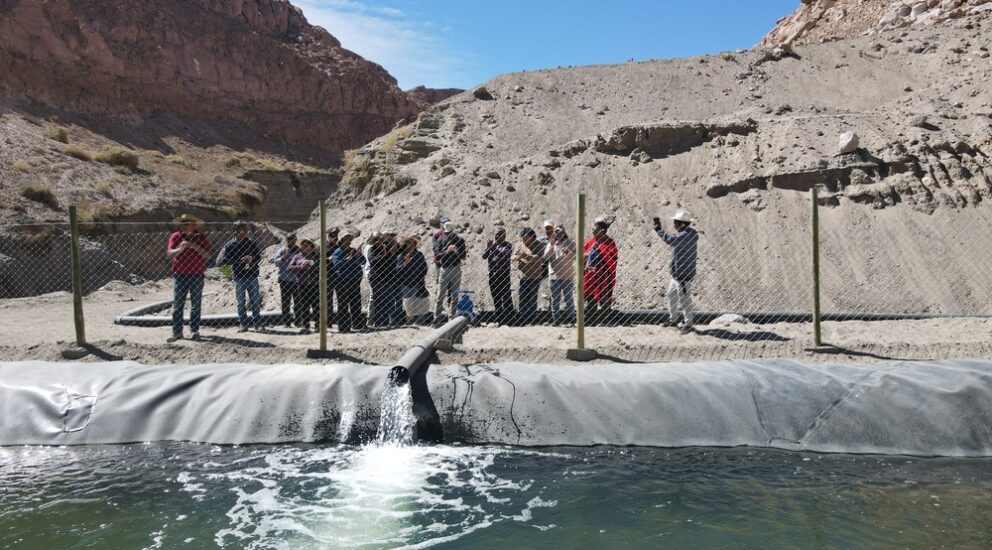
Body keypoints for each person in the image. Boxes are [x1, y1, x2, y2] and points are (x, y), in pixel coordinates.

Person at [166, 214, 211, 342]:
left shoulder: (202, 238)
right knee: (178, 304)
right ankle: (177, 332)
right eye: (183, 223)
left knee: (196, 304)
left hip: (197, 275)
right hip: (180, 275)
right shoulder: (176, 237)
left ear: (194, 225)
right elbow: (169, 253)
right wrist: (180, 248)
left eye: (187, 223)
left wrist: (195, 247)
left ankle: (194, 331)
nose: (184, 225)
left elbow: (208, 255)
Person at [654, 208, 699, 334]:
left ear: (682, 224)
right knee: (671, 295)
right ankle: (673, 319)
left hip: (682, 275)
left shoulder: (686, 236)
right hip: (677, 274)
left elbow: (670, 240)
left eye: (676, 222)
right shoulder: (686, 234)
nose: (674, 224)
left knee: (685, 299)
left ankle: (688, 324)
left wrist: (658, 230)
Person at [218, 220, 263, 332]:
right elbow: (222, 260)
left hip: (252, 276)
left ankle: (257, 324)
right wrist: (239, 261)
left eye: (245, 229)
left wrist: (252, 260)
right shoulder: (229, 245)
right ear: (235, 231)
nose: (244, 231)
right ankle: (243, 324)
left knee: (255, 301)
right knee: (240, 302)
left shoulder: (251, 243)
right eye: (242, 229)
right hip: (238, 277)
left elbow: (258, 257)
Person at [583, 216, 618, 324]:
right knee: (591, 299)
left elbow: (613, 257)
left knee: (605, 299)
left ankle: (604, 319)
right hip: (591, 276)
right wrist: (585, 257)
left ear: (602, 231)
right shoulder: (590, 242)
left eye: (595, 229)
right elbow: (583, 254)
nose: (593, 230)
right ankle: (589, 320)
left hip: (604, 276)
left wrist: (599, 254)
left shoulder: (610, 242)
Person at [331, 230, 366, 333]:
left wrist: (359, 255)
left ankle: (357, 325)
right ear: (341, 241)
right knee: (343, 305)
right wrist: (348, 259)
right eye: (346, 240)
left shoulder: (353, 250)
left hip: (354, 281)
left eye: (350, 240)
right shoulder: (337, 252)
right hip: (342, 282)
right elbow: (337, 265)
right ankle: (343, 327)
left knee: (356, 303)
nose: (349, 242)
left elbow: (363, 262)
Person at [432, 221, 466, 325]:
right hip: (444, 269)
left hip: (456, 268)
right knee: (440, 295)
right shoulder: (440, 240)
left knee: (454, 294)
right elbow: (437, 256)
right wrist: (447, 251)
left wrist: (457, 252)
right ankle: (436, 317)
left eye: (449, 232)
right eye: (446, 232)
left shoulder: (459, 240)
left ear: (453, 230)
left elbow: (464, 256)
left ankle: (451, 317)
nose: (448, 234)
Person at [543, 225, 576, 325]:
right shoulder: (551, 244)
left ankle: (571, 318)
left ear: (564, 232)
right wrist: (552, 243)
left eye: (560, 231)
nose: (559, 234)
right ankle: (555, 319)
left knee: (569, 299)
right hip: (554, 277)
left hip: (567, 276)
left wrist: (569, 253)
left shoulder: (571, 243)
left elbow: (578, 257)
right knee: (555, 300)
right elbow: (545, 257)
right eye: (556, 232)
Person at [482, 228, 514, 325]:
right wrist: (488, 247)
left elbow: (504, 256)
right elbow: (484, 256)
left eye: (499, 235)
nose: (497, 237)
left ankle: (511, 319)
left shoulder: (507, 245)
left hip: (503, 275)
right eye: (496, 235)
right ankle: (500, 319)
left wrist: (493, 248)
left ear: (504, 236)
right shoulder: (493, 246)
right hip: (493, 275)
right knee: (496, 298)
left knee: (506, 297)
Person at [368, 229, 400, 328]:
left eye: (380, 239)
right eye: (377, 240)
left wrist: (393, 246)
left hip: (388, 277)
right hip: (377, 278)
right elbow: (374, 262)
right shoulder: (372, 249)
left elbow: (393, 259)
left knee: (387, 300)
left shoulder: (387, 246)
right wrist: (385, 255)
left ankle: (385, 322)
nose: (379, 241)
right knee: (378, 301)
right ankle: (378, 322)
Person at [396, 236, 430, 324]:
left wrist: (419, 279)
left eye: (412, 243)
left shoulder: (419, 255)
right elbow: (398, 270)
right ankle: (409, 323)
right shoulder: (401, 256)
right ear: (405, 245)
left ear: (415, 245)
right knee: (408, 305)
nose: (410, 245)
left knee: (420, 303)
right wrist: (406, 263)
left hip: (418, 284)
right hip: (406, 285)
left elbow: (424, 269)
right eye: (408, 243)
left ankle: (420, 323)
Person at [515, 227, 546, 323]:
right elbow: (514, 255)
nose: (524, 240)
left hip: (534, 277)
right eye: (523, 238)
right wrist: (517, 257)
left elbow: (539, 258)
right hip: (523, 276)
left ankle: (532, 318)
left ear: (532, 237)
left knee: (532, 298)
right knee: (523, 298)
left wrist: (525, 256)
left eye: (526, 238)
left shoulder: (539, 245)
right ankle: (522, 318)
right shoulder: (520, 245)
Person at [289, 239, 320, 334]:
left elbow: (321, 266)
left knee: (316, 306)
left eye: (307, 245)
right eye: (303, 245)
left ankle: (318, 326)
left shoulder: (316, 256)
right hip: (302, 285)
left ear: (311, 247)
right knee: (304, 306)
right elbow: (289, 268)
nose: (305, 247)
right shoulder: (297, 256)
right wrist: (300, 267)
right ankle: (306, 326)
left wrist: (310, 265)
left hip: (314, 284)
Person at [272, 233, 300, 327]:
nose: (290, 242)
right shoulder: (282, 250)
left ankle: (298, 321)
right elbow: (276, 262)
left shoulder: (299, 251)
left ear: (295, 240)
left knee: (298, 302)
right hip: (284, 280)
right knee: (285, 302)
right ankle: (286, 322)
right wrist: (284, 258)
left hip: (296, 280)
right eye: (288, 240)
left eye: (292, 240)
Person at [324, 228, 340, 328]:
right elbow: (319, 258)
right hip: (328, 276)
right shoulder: (324, 247)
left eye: (336, 237)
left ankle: (338, 321)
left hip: (338, 276)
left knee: (340, 299)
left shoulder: (338, 247)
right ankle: (328, 322)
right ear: (329, 237)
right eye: (333, 237)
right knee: (328, 301)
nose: (335, 239)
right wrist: (329, 259)